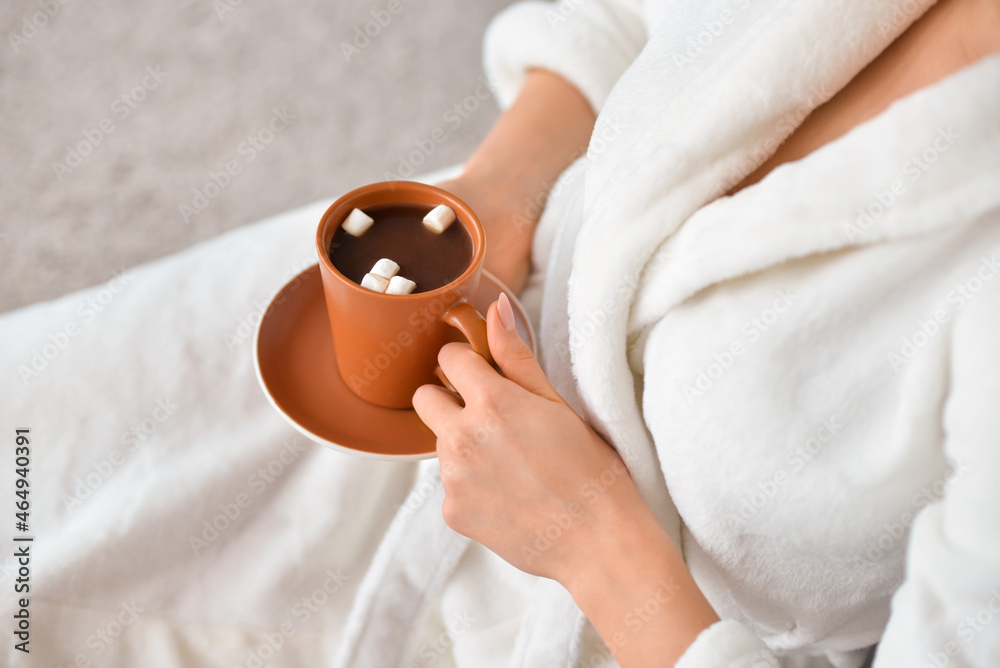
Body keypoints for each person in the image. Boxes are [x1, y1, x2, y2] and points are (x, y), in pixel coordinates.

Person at [2, 0, 997, 667]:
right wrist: (500, 191)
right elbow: (627, 13)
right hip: (493, 288)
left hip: (623, 616)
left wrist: (590, 541)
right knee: (30, 440)